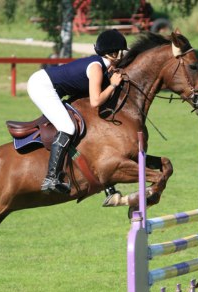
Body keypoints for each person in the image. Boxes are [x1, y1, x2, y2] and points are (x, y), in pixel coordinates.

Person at [27, 29, 127, 195]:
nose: (123, 56)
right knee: (67, 127)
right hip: (42, 86)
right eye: (121, 52)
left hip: (50, 86)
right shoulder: (96, 67)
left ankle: (107, 185)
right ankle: (51, 178)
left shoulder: (101, 66)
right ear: (114, 54)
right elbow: (95, 101)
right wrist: (113, 85)